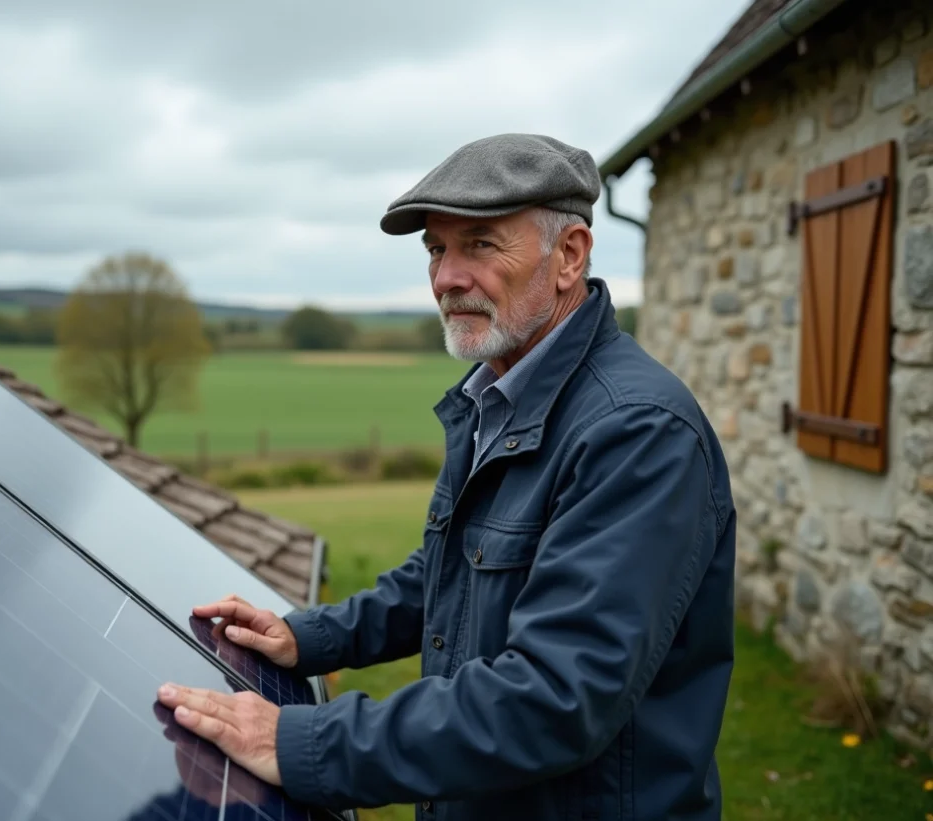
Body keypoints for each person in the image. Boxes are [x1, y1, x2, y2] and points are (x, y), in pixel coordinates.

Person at [157, 133, 736, 821]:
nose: (446, 278)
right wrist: (309, 637)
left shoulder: (636, 432)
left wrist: (304, 742)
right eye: (436, 249)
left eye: (480, 245)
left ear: (570, 255)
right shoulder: (495, 393)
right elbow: (450, 575)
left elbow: (555, 697)